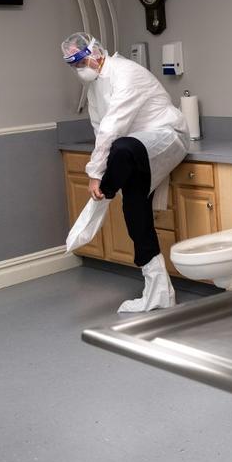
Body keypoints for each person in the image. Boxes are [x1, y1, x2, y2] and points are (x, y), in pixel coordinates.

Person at [61, 32, 189, 312]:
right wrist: (100, 165)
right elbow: (99, 129)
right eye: (74, 66)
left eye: (81, 62)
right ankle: (158, 292)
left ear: (95, 53)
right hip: (133, 150)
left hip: (167, 136)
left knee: (120, 148)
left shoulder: (127, 73)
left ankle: (104, 196)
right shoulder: (95, 88)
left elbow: (113, 126)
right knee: (133, 210)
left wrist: (96, 174)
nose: (79, 70)